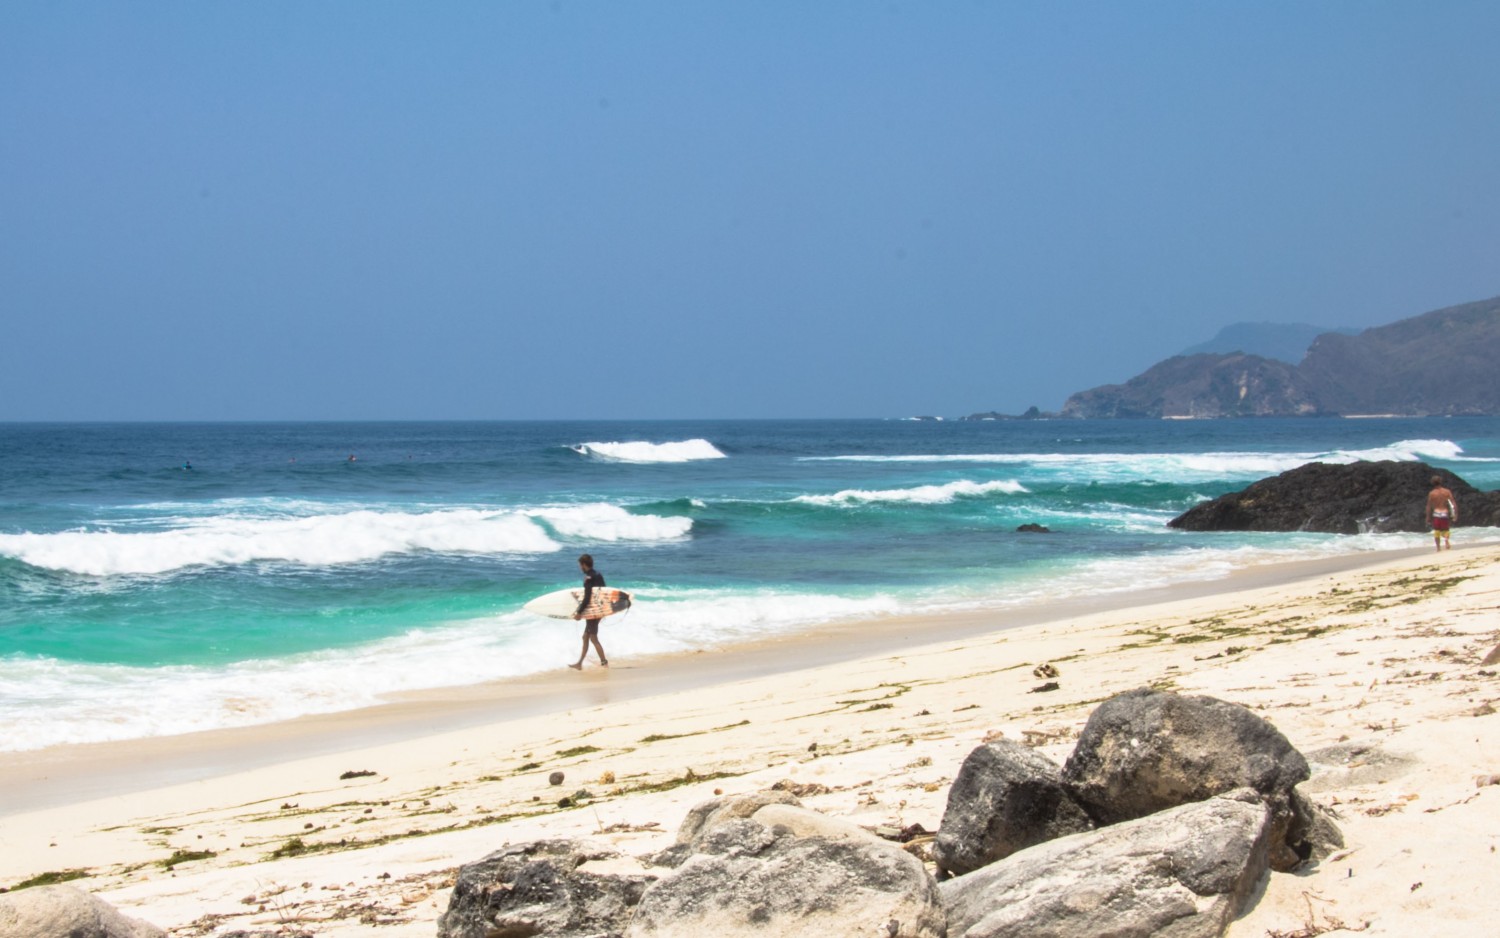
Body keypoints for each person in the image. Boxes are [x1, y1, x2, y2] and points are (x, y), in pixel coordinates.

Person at [569, 553, 609, 669]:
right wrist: (603, 610)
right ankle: (579, 664)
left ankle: (604, 663)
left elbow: (587, 598)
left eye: (580, 565)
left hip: (592, 612)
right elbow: (604, 592)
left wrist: (579, 612)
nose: (580, 568)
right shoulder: (598, 575)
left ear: (584, 565)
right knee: (585, 637)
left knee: (593, 638)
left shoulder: (588, 578)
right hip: (599, 610)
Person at [1425, 475, 1458, 552]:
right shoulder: (1447, 491)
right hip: (1444, 513)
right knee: (1446, 530)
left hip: (1436, 513)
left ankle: (1438, 548)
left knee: (1437, 531)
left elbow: (1429, 506)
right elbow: (1453, 504)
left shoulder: (1432, 493)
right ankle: (1446, 540)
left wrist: (1428, 517)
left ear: (1432, 483)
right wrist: (1456, 514)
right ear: (1441, 482)